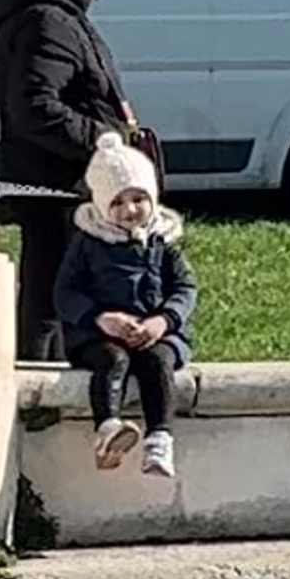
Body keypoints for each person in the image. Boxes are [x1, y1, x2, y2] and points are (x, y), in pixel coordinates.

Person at [0, 0, 141, 357]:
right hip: (55, 183)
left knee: (53, 292)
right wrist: (104, 140)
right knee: (53, 298)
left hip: (51, 179)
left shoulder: (48, 10)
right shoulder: (49, 19)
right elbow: (33, 105)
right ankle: (40, 401)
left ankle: (47, 391)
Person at [50, 137, 195, 489]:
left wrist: (163, 321)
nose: (130, 210)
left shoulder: (164, 242)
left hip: (156, 332)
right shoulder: (87, 244)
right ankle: (108, 429)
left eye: (138, 199)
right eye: (118, 202)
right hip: (98, 334)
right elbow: (64, 292)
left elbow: (185, 288)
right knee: (112, 361)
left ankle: (159, 439)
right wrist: (99, 318)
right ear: (101, 205)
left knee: (157, 362)